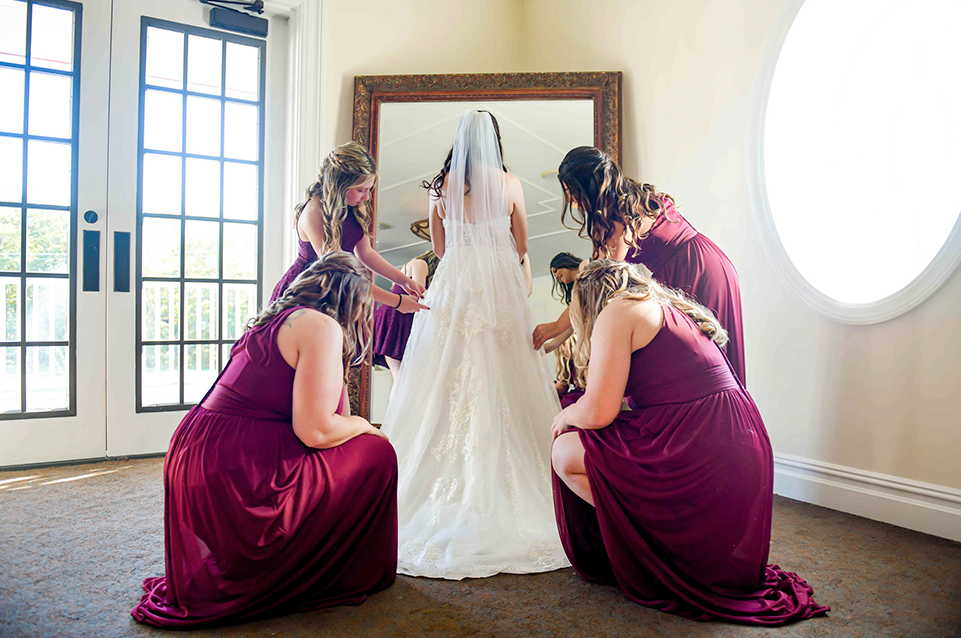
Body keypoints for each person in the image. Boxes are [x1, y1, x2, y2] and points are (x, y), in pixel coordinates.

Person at [550, 259, 829, 625]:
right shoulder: (668, 308)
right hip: (735, 439)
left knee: (565, 451)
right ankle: (652, 540)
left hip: (702, 442)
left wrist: (564, 416)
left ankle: (649, 549)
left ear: (589, 302)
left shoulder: (618, 310)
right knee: (595, 448)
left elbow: (599, 413)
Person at [132, 252, 398, 628]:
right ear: (352, 300)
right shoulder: (321, 326)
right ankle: (338, 569)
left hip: (197, 455)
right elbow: (317, 430)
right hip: (233, 470)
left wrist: (348, 419)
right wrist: (367, 426)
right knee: (377, 452)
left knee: (353, 443)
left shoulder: (274, 319)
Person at [379, 110, 569, 579]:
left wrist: (468, 253)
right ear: (494, 141)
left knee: (443, 377)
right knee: (505, 374)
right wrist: (495, 250)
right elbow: (523, 244)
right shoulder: (510, 183)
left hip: (456, 286)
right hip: (499, 286)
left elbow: (440, 250)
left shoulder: (439, 186)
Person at [533, 147, 745, 385]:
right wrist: (558, 338)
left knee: (708, 363)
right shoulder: (634, 197)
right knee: (707, 359)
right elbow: (590, 293)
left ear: (587, 188)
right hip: (709, 260)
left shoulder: (615, 220)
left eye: (571, 192)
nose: (570, 200)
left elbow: (594, 290)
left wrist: (555, 327)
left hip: (696, 271)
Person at [271, 141, 428, 314]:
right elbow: (340, 274)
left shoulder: (354, 206)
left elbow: (366, 253)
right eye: (361, 190)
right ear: (340, 186)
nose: (367, 197)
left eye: (369, 189)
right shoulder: (314, 212)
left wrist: (403, 280)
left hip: (342, 287)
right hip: (311, 291)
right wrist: (396, 302)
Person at [372, 249, 440, 401]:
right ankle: (395, 420)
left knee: (399, 377)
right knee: (402, 378)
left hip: (391, 317)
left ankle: (394, 419)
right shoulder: (420, 264)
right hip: (398, 319)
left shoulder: (408, 266)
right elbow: (419, 294)